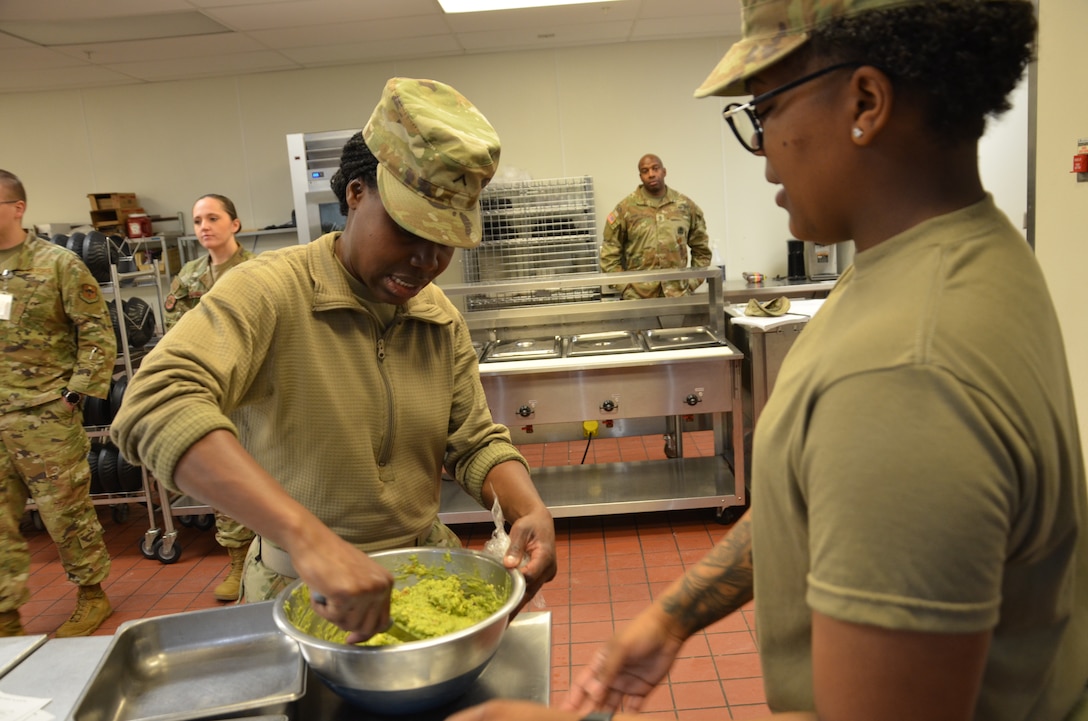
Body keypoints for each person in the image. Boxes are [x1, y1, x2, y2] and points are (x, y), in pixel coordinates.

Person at [448, 1, 1088, 721]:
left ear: (866, 102)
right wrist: (672, 614)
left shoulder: (903, 371)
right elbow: (808, 500)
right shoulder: (956, 255)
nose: (763, 151)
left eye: (767, 108)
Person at [111, 77, 557, 641]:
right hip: (298, 589)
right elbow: (155, 404)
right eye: (411, 228)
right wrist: (307, 537)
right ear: (355, 194)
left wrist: (529, 508)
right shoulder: (268, 293)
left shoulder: (436, 314)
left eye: (447, 241)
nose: (428, 259)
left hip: (424, 573)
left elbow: (472, 440)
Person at [0, 169, 118, 638]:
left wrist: (75, 393)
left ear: (17, 207)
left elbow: (96, 332)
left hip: (44, 415)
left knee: (65, 513)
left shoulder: (57, 264)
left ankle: (92, 595)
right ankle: (6, 612)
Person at [163, 193, 256, 602]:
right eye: (198, 219)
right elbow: (175, 334)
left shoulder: (258, 271)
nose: (204, 226)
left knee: (272, 470)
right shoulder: (188, 277)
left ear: (234, 224)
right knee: (226, 476)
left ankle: (272, 555)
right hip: (214, 391)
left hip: (256, 391)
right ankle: (237, 561)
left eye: (213, 218)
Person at [599, 154, 711, 299]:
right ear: (640, 176)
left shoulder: (685, 206)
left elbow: (701, 250)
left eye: (655, 168)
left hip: (678, 295)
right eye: (645, 171)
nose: (651, 174)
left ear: (664, 172)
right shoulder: (625, 209)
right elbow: (609, 255)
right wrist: (626, 288)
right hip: (639, 297)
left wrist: (691, 283)